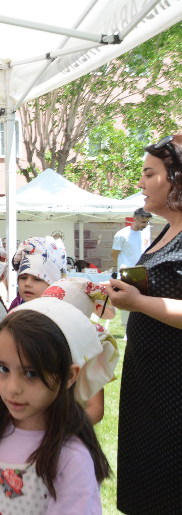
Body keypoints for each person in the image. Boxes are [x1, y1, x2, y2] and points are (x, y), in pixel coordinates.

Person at [0, 298, 111, 514]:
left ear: (68, 376)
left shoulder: (71, 456)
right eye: (3, 368)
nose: (12, 388)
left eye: (31, 374)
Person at [103, 135, 182, 514]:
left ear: (177, 179)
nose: (140, 183)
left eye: (149, 174)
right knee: (147, 488)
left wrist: (138, 302)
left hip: (175, 388)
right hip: (146, 382)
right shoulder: (165, 230)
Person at [41, 277, 119, 424]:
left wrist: (65, 430)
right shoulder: (38, 349)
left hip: (70, 432)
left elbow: (96, 409)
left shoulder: (89, 359)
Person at [111, 207, 152, 329]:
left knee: (142, 302)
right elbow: (114, 254)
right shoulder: (122, 234)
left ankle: (140, 328)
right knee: (126, 303)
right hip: (126, 273)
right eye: (143, 221)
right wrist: (121, 267)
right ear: (135, 219)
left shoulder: (145, 233)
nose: (145, 225)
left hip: (142, 272)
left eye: (147, 222)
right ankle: (126, 330)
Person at [8, 236, 66, 309]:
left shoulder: (59, 313)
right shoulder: (16, 305)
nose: (27, 283)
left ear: (53, 283)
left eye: (37, 279)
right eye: (23, 277)